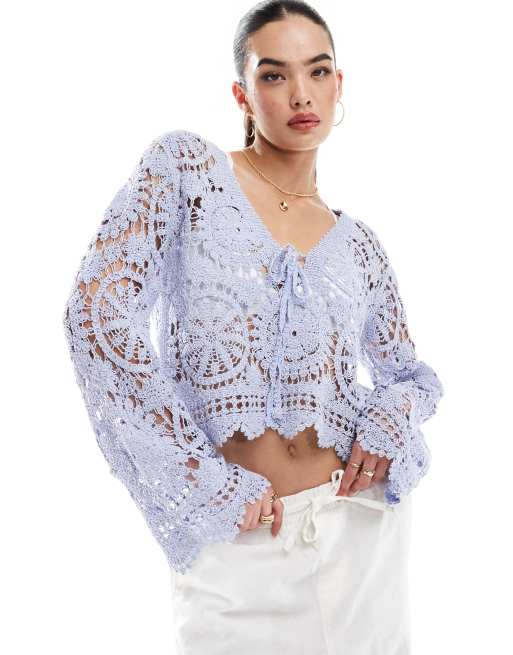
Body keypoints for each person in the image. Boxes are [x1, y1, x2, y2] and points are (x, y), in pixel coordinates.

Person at [62, 1, 444, 653]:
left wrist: (388, 418)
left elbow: (411, 376)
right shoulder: (189, 174)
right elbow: (96, 316)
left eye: (317, 71)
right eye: (273, 74)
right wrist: (200, 478)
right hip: (239, 542)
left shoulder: (358, 246)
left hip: (360, 532)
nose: (300, 94)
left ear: (338, 85)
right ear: (241, 93)